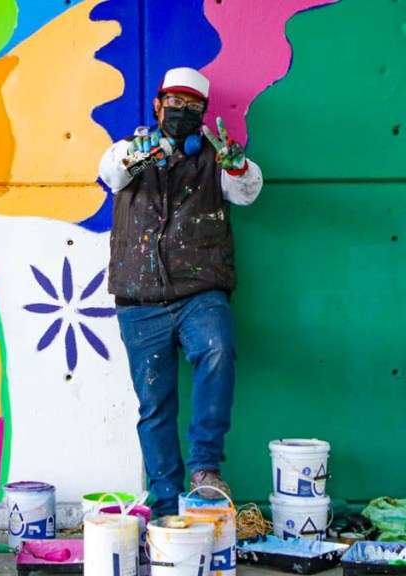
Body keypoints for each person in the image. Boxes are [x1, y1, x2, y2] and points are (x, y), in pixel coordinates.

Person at [98, 67, 263, 516]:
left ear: (204, 115)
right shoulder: (130, 151)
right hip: (139, 301)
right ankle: (166, 508)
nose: (182, 112)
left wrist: (237, 164)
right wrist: (142, 155)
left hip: (199, 294)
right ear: (157, 105)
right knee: (155, 405)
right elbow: (110, 172)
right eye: (175, 103)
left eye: (193, 107)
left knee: (217, 349)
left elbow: (248, 190)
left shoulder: (215, 156)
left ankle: (205, 469)